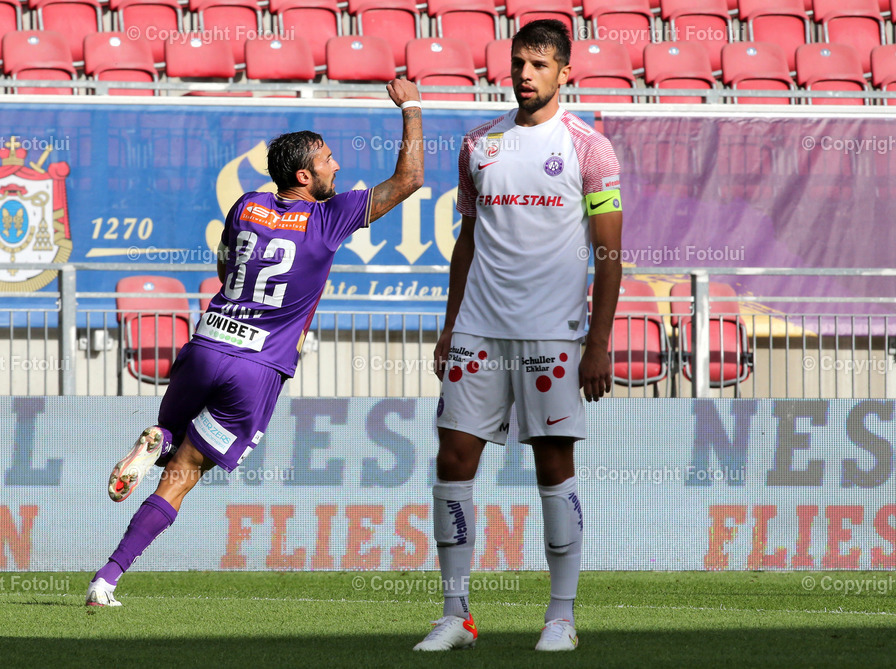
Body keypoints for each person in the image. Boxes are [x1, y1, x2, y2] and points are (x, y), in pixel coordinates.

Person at [86, 79, 424, 606]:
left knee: (172, 441)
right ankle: (107, 575)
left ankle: (156, 445)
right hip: (256, 365)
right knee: (181, 477)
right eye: (330, 160)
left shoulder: (246, 206)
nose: (338, 167)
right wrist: (412, 107)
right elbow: (410, 178)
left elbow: (226, 264)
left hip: (204, 344)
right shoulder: (328, 217)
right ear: (305, 175)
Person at [413, 19, 623, 652]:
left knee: (554, 465)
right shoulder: (480, 144)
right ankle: (456, 614)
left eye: (538, 64)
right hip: (478, 329)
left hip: (554, 337)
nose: (524, 74)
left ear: (566, 72)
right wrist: (450, 325)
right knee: (453, 461)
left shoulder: (589, 148)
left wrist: (598, 341)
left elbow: (609, 254)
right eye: (517, 62)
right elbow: (467, 241)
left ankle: (561, 615)